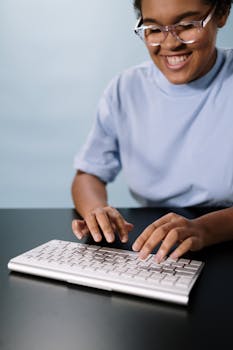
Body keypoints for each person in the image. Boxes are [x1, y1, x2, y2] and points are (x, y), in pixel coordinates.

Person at [71, 0, 233, 263]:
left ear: (222, 13)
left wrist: (204, 229)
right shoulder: (126, 89)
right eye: (154, 29)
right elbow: (88, 174)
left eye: (187, 25)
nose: (170, 44)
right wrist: (97, 211)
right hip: (156, 247)